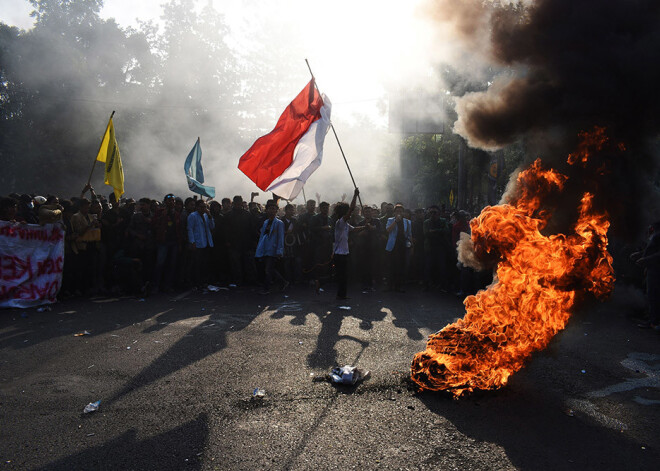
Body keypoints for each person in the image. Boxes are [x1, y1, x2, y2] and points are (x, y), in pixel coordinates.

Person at [333, 188, 362, 300]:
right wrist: (355, 196)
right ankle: (341, 295)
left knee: (342, 275)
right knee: (342, 275)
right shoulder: (340, 222)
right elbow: (351, 209)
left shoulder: (345, 224)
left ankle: (341, 294)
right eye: (347, 212)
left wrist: (365, 227)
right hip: (339, 254)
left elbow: (354, 229)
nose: (350, 214)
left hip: (344, 253)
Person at [632, 221, 660, 331]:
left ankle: (655, 322)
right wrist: (640, 254)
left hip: (656, 270)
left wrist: (646, 260)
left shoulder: (658, 235)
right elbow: (652, 249)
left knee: (654, 295)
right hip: (651, 269)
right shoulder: (655, 235)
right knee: (651, 294)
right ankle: (652, 319)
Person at [255, 200, 287, 294]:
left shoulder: (279, 223)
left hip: (273, 249)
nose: (271, 211)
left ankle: (267, 288)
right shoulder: (265, 222)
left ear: (276, 211)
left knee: (268, 270)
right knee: (269, 269)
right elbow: (262, 236)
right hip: (265, 248)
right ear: (266, 210)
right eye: (270, 209)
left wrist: (279, 250)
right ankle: (283, 282)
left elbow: (280, 237)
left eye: (273, 209)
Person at [187, 199, 215, 288]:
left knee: (205, 264)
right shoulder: (193, 216)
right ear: (197, 207)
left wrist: (210, 216)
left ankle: (204, 281)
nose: (203, 209)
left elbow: (212, 226)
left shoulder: (206, 216)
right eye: (201, 207)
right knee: (197, 264)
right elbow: (190, 229)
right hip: (198, 243)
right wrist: (192, 242)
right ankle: (196, 282)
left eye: (205, 207)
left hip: (206, 243)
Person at [385, 203, 412, 292]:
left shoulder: (407, 222)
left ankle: (399, 286)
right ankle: (389, 286)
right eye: (397, 211)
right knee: (391, 266)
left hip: (402, 246)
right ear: (394, 212)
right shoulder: (390, 220)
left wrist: (411, 245)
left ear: (403, 212)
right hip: (392, 246)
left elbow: (409, 234)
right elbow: (388, 230)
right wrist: (396, 221)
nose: (399, 213)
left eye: (400, 211)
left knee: (401, 266)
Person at [356, 205, 381, 291]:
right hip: (363, 248)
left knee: (373, 266)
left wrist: (372, 228)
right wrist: (363, 231)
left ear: (372, 213)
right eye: (366, 212)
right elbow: (356, 234)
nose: (368, 213)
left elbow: (380, 231)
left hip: (374, 247)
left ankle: (372, 283)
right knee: (364, 266)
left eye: (369, 212)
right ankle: (364, 283)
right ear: (363, 213)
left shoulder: (377, 221)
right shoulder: (361, 223)